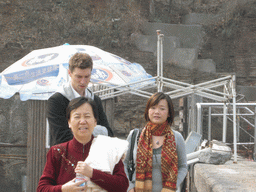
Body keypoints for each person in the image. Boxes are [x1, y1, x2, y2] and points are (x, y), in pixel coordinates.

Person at [37, 97, 128, 192]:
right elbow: (41, 189)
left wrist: (92, 173)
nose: (82, 121)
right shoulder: (57, 152)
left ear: (95, 121)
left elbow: (123, 186)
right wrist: (63, 189)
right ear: (69, 122)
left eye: (87, 116)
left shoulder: (109, 148)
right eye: (77, 117)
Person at [124, 92, 188, 192]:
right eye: (153, 108)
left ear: (169, 113)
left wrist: (171, 187)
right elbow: (122, 163)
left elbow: (183, 167)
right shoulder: (135, 135)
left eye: (162, 109)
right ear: (148, 110)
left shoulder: (176, 137)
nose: (156, 112)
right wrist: (129, 187)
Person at [47, 52, 114, 146]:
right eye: (79, 76)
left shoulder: (95, 100)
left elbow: (109, 133)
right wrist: (96, 131)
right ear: (69, 73)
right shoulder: (56, 101)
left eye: (87, 77)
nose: (83, 81)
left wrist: (78, 131)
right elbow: (61, 138)